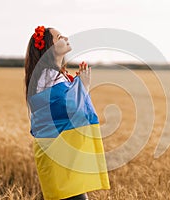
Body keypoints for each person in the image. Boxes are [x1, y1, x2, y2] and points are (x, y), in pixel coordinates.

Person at [24, 26, 110, 200]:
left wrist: (80, 89)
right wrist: (83, 87)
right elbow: (73, 114)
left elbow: (68, 110)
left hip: (61, 155)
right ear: (49, 47)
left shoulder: (53, 76)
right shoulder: (48, 77)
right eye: (59, 37)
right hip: (59, 156)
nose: (65, 37)